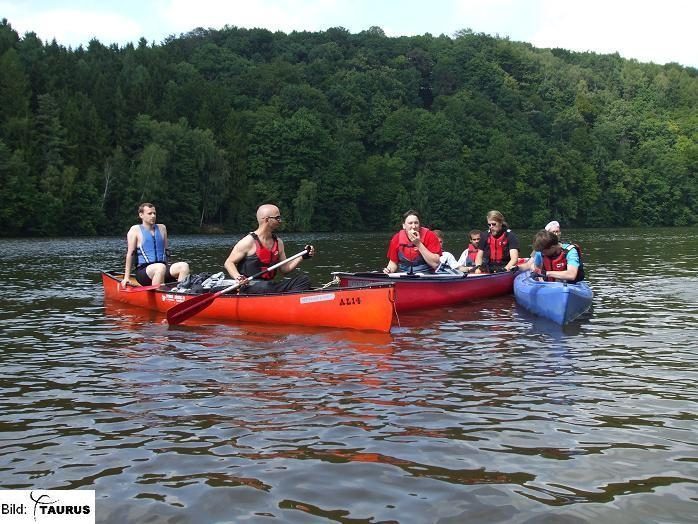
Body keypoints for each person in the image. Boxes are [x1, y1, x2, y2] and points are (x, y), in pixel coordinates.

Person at [224, 204, 315, 294]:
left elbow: (284, 269)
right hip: (250, 286)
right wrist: (238, 277)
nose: (280, 221)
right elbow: (229, 262)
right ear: (267, 219)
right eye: (277, 218)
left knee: (304, 280)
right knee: (265, 286)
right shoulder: (248, 241)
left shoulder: (278, 242)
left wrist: (302, 257)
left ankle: (288, 301)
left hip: (269, 286)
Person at [121, 202, 191, 287]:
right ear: (141, 215)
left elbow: (166, 251)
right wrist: (126, 277)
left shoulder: (162, 228)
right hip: (143, 271)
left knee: (184, 266)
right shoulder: (135, 230)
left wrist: (169, 267)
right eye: (149, 213)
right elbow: (130, 254)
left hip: (162, 267)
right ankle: (159, 293)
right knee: (160, 267)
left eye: (154, 213)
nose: (153, 216)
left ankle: (180, 291)